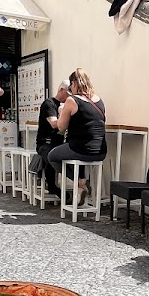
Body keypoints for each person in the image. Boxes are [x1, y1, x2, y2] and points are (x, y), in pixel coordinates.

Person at [48, 68, 107, 207]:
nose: (70, 90)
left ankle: (80, 182)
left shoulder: (71, 100)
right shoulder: (99, 100)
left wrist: (62, 111)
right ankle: (81, 185)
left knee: (52, 156)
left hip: (82, 149)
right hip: (101, 152)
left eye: (70, 87)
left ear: (74, 84)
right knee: (67, 152)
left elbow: (61, 128)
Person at [36, 81, 70, 196]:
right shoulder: (49, 104)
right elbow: (54, 124)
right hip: (45, 142)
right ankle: (52, 186)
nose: (69, 96)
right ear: (61, 89)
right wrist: (62, 113)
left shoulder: (69, 105)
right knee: (52, 157)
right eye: (68, 93)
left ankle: (79, 183)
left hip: (59, 142)